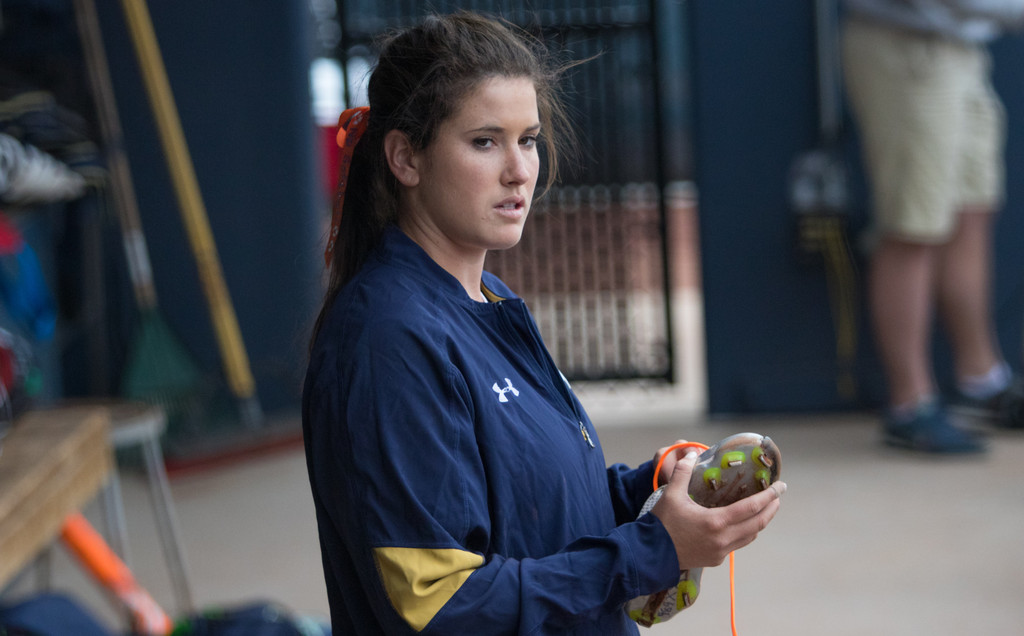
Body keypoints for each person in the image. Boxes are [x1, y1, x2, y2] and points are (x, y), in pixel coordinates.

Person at [302, 12, 785, 635]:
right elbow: (443, 604)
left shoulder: (486, 296)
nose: (519, 170)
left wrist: (652, 488)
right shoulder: (387, 339)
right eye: (485, 141)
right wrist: (652, 551)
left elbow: (531, 512)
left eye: (527, 138)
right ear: (405, 158)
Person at [841, 0, 1024, 453]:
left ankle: (982, 381)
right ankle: (910, 405)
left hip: (962, 46)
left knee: (970, 214)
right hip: (908, 47)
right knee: (912, 226)